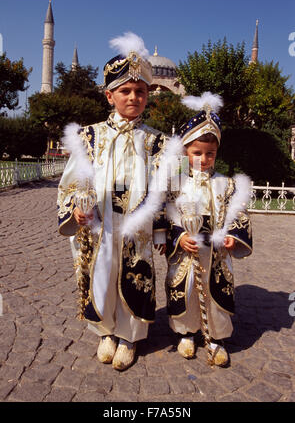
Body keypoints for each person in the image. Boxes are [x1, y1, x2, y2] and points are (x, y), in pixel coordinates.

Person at [57, 32, 172, 371]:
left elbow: (171, 189)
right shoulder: (88, 137)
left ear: (148, 95)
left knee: (136, 274)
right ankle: (106, 330)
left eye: (140, 91)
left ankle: (130, 336)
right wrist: (74, 209)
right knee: (102, 274)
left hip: (138, 225)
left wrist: (164, 231)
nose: (133, 97)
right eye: (125, 91)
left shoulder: (159, 142)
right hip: (99, 223)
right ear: (110, 95)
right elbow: (69, 184)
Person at [165, 92, 253, 366]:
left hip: (215, 255)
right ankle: (186, 333)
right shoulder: (177, 184)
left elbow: (238, 213)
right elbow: (167, 214)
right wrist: (179, 238)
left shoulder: (226, 185)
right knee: (187, 291)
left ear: (217, 153)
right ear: (185, 152)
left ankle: (215, 337)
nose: (203, 159)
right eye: (196, 153)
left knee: (215, 293)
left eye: (210, 153)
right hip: (187, 253)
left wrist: (232, 237)